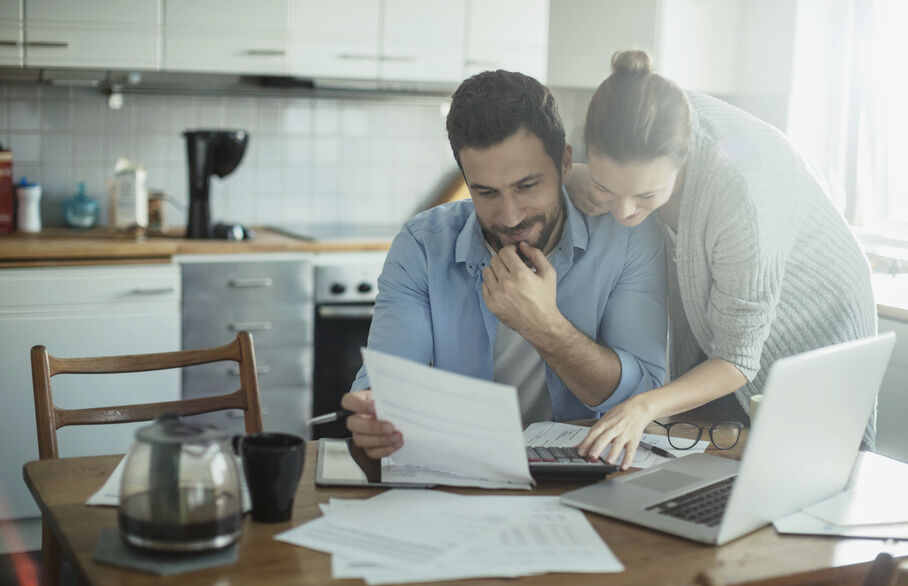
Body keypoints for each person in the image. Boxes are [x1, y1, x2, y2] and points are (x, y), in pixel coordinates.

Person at [572, 50, 877, 468]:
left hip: (815, 312)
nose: (624, 213)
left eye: (645, 196)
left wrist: (643, 407)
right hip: (728, 333)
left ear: (684, 159)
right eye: (609, 187)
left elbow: (736, 358)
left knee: (814, 464)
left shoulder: (740, 192)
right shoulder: (643, 120)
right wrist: (582, 179)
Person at [341, 70, 668, 459]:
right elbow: (390, 381)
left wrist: (544, 326)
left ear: (565, 163)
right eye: (486, 192)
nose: (510, 216)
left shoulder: (627, 238)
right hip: (456, 470)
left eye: (527, 186)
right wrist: (377, 415)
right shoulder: (422, 246)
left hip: (585, 474)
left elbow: (644, 395)